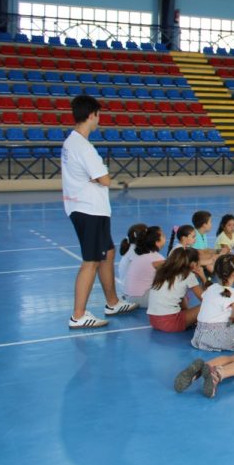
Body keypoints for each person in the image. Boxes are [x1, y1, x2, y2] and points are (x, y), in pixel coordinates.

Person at [62, 94, 137, 328]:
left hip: (91, 209)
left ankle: (112, 302)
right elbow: (104, 179)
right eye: (98, 114)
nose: (99, 119)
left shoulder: (71, 142)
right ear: (92, 115)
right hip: (88, 210)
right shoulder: (83, 147)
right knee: (91, 261)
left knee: (108, 253)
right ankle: (78, 315)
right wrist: (102, 176)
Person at [147, 247, 205, 333]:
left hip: (154, 321)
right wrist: (203, 277)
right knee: (206, 306)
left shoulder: (163, 271)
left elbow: (180, 297)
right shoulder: (188, 275)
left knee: (183, 296)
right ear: (193, 264)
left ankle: (187, 317)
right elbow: (205, 299)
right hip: (171, 322)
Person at [120, 226, 166, 308]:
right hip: (140, 298)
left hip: (129, 296)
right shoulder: (157, 258)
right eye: (163, 235)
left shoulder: (141, 255)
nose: (165, 236)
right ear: (157, 242)